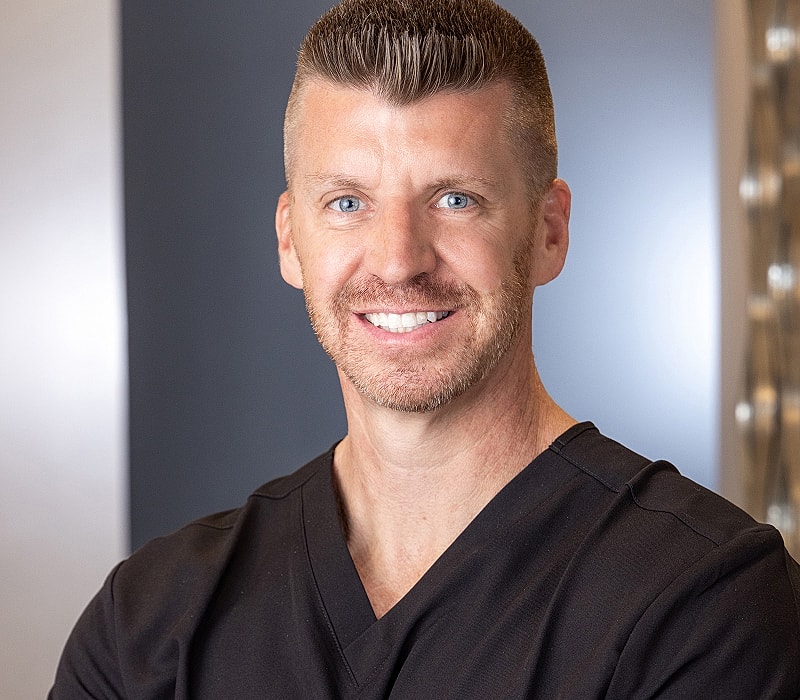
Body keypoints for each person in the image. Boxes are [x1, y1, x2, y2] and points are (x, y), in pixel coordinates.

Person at [51, 0, 800, 697]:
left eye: (454, 199)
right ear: (290, 238)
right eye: (348, 202)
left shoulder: (705, 605)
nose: (398, 259)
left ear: (549, 231)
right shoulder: (149, 626)